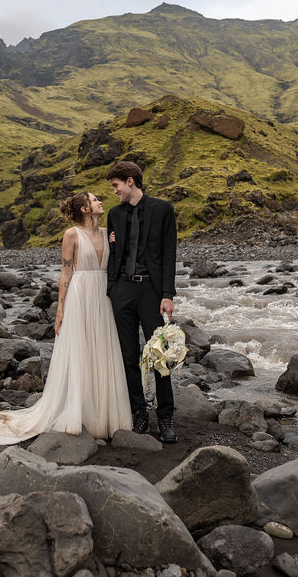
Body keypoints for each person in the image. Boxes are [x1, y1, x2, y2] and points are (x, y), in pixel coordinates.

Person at [0, 192, 132, 444]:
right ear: (84, 209)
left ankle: (104, 415)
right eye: (94, 199)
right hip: (80, 295)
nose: (100, 201)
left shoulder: (107, 233)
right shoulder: (71, 235)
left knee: (102, 349)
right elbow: (66, 273)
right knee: (80, 350)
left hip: (103, 296)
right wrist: (60, 309)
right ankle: (79, 412)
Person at [106, 161, 179, 443]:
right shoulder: (114, 214)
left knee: (159, 355)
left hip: (151, 290)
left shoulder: (163, 210)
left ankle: (165, 418)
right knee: (128, 357)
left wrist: (167, 294)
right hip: (123, 290)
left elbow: (169, 253)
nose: (115, 192)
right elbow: (115, 253)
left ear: (130, 182)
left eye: (116, 186)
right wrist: (112, 288)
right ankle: (139, 414)